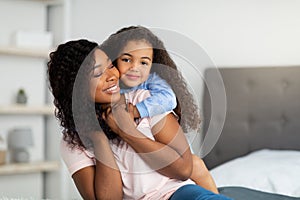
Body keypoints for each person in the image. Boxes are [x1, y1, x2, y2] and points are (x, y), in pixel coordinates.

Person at [48, 39, 231, 200]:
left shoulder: (145, 101)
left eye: (110, 66)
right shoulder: (73, 142)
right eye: (98, 73)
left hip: (178, 194)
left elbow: (183, 169)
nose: (112, 76)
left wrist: (126, 130)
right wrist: (99, 139)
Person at [101, 25, 218, 193]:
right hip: (141, 166)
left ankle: (216, 194)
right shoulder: (110, 85)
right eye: (126, 60)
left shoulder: (151, 81)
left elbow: (168, 99)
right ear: (113, 60)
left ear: (152, 65)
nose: (135, 67)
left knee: (197, 165)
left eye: (143, 62)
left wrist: (137, 110)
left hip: (171, 149)